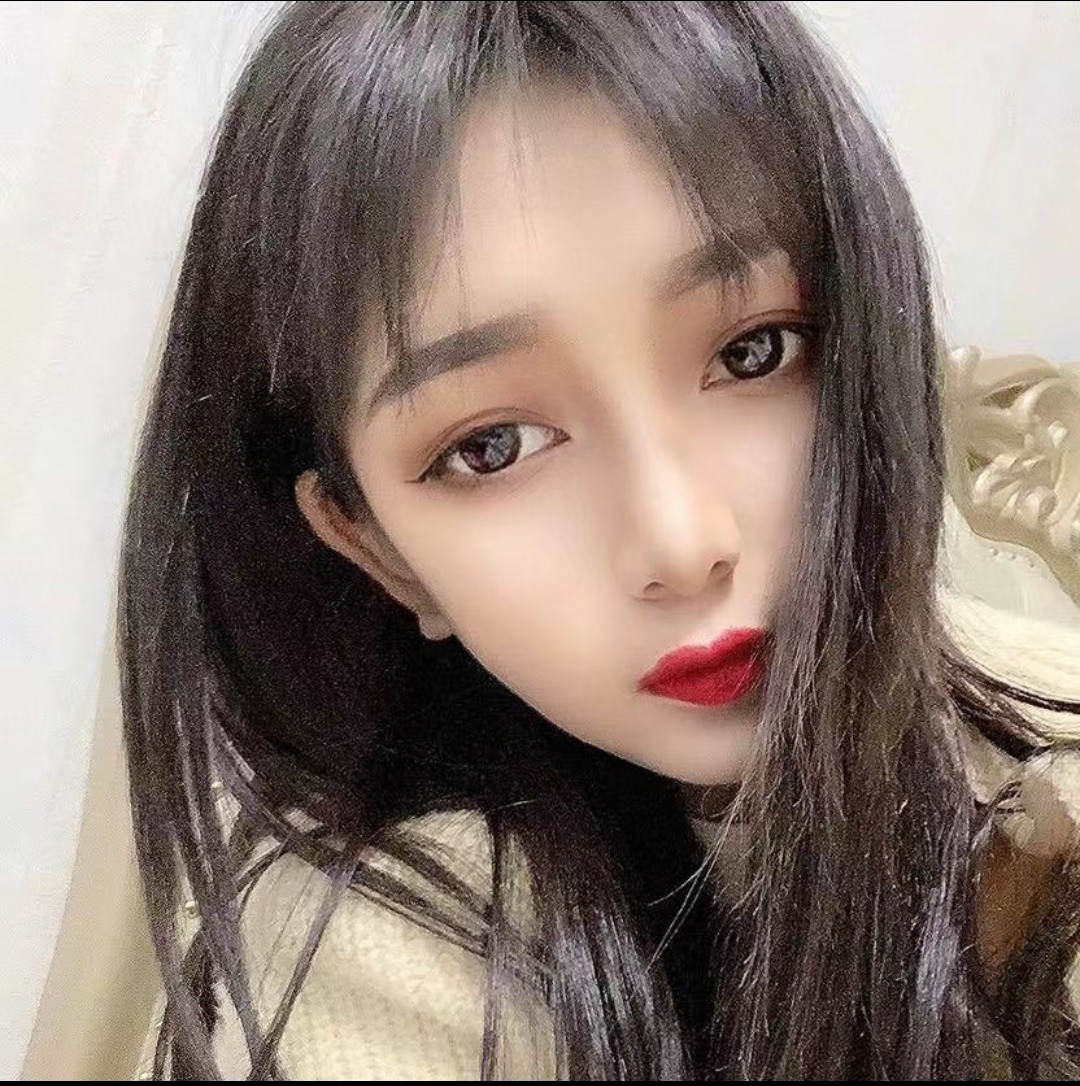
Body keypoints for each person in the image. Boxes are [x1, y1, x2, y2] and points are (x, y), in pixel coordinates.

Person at [119, 1, 1080, 1078]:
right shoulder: (380, 965)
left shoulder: (1054, 748)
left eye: (755, 352)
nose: (680, 543)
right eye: (490, 447)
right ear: (376, 549)